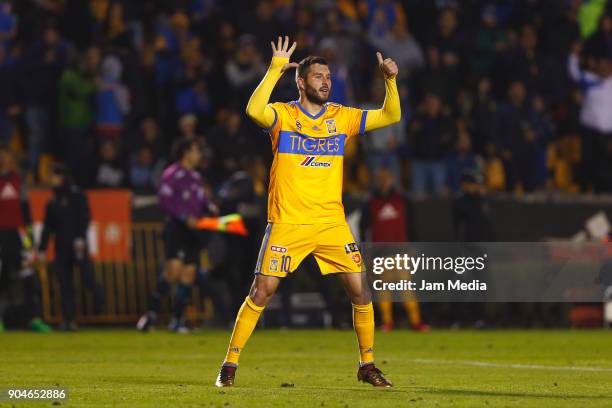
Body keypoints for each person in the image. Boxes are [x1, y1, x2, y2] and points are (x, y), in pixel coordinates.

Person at [215, 36, 401, 388]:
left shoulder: (340, 117)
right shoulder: (284, 115)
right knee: (261, 291)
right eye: (318, 77)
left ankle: (367, 365)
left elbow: (392, 114)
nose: (325, 82)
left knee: (361, 291)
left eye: (328, 77)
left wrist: (389, 80)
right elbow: (254, 110)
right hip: (288, 221)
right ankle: (230, 364)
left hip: (331, 222)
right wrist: (272, 70)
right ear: (301, 82)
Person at [137, 139, 216, 333]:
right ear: (186, 152)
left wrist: (212, 208)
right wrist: (183, 216)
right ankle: (151, 315)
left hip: (194, 231)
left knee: (188, 274)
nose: (199, 154)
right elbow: (164, 201)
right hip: (176, 228)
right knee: (173, 271)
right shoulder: (172, 173)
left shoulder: (196, 177)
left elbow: (202, 201)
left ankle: (177, 321)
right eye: (196, 150)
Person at [360, 167, 429, 333]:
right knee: (384, 288)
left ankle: (416, 322)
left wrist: (413, 247)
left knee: (406, 287)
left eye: (386, 178)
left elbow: (411, 225)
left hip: (401, 251)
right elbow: (364, 228)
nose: (383, 182)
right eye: (380, 179)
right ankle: (387, 322)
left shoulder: (402, 201)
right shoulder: (371, 203)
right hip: (381, 253)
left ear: (392, 180)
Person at [38, 164, 104, 331]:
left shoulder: (77, 195)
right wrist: (41, 249)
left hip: (78, 246)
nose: (51, 180)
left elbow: (85, 217)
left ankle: (101, 303)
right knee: (65, 285)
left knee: (87, 279)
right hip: (61, 248)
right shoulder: (52, 201)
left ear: (62, 177)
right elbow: (47, 227)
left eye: (53, 176)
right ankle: (69, 320)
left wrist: (81, 238)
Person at [0, 143, 50, 333]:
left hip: (18, 234)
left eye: (6, 156)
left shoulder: (18, 180)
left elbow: (25, 207)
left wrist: (29, 235)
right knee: (2, 279)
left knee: (29, 277)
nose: (3, 159)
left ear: (12, 159)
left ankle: (34, 318)